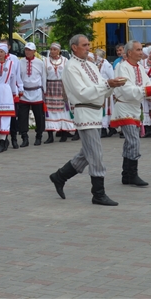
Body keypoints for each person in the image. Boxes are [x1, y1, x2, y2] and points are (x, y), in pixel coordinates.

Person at [49, 34, 126, 206]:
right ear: (74, 47)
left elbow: (101, 89)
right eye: (84, 45)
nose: (88, 47)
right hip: (84, 111)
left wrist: (111, 85)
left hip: (95, 112)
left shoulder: (91, 65)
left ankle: (60, 176)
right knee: (95, 153)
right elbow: (81, 92)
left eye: (89, 44)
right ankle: (98, 193)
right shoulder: (70, 67)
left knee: (87, 152)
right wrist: (107, 85)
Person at [110, 40, 151, 187]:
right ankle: (132, 174)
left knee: (130, 142)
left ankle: (126, 175)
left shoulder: (139, 67)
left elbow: (146, 84)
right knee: (134, 140)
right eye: (138, 50)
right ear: (129, 53)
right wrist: (148, 90)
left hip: (134, 108)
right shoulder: (122, 67)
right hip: (124, 107)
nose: (141, 52)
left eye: (141, 49)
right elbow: (127, 90)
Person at [43, 42, 74, 143]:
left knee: (63, 112)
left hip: (62, 88)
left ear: (59, 50)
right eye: (51, 49)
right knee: (49, 112)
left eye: (54, 49)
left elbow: (69, 76)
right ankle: (50, 136)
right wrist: (44, 90)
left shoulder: (65, 61)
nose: (52, 51)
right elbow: (43, 76)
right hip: (50, 88)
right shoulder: (45, 61)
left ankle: (64, 134)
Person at [18, 42, 46, 147]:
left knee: (39, 116)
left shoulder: (40, 63)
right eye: (26, 49)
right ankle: (24, 137)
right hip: (24, 92)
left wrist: (45, 92)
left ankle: (39, 136)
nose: (27, 52)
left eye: (29, 50)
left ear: (34, 51)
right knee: (22, 117)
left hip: (37, 92)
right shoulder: (20, 62)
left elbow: (43, 77)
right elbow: (18, 77)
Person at [0, 38, 24, 149]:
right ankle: (4, 139)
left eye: (4, 46)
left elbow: (17, 75)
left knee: (12, 116)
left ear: (9, 47)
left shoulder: (14, 59)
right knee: (1, 116)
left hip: (11, 91)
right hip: (0, 92)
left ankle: (14, 138)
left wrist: (20, 88)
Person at [95, 48, 117, 138]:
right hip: (99, 90)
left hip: (107, 90)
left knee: (106, 110)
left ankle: (107, 128)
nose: (95, 57)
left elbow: (112, 77)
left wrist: (113, 91)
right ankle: (108, 128)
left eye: (96, 55)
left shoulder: (107, 65)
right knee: (101, 109)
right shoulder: (96, 64)